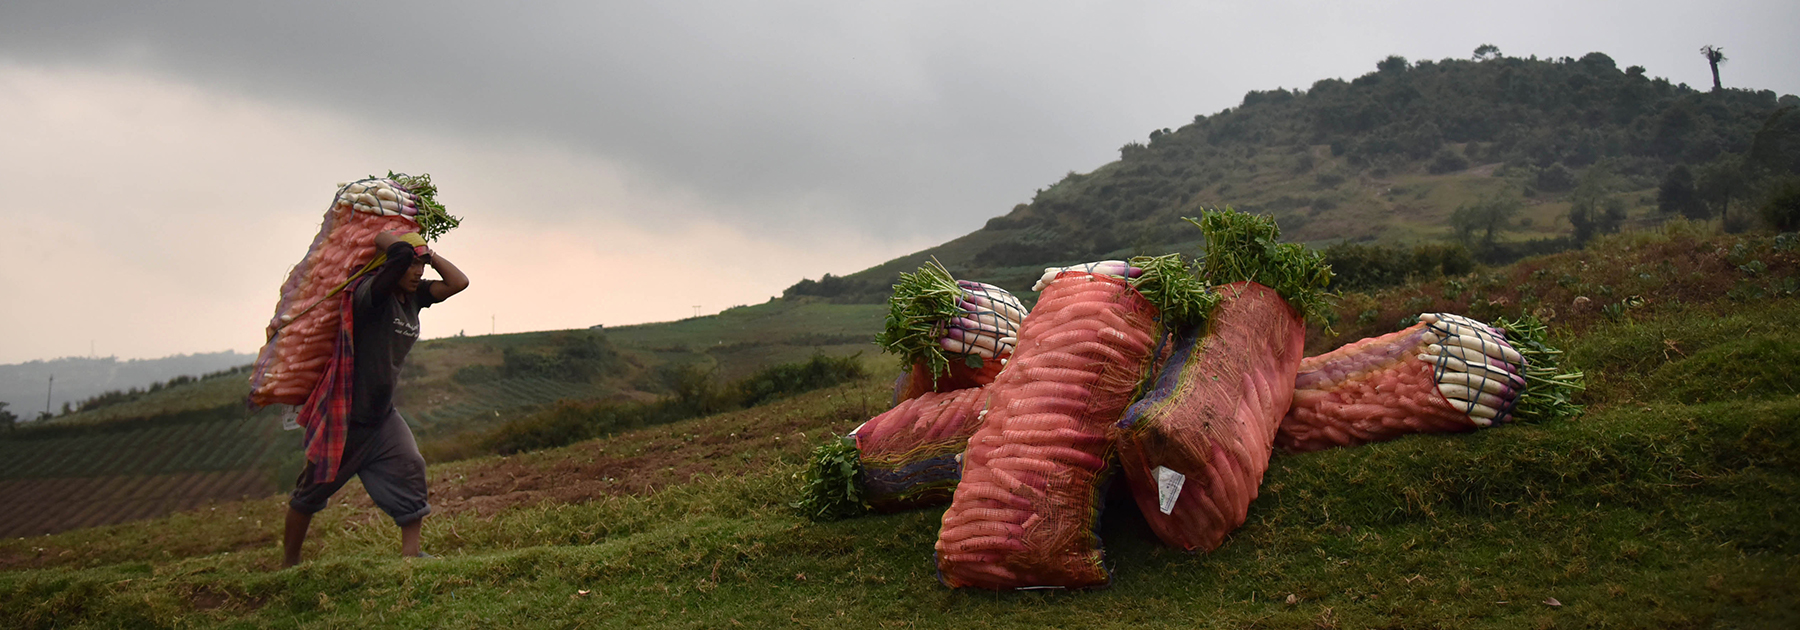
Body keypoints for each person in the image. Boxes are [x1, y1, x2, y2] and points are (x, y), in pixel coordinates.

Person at [282, 230, 469, 567]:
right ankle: (289, 561)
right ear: (390, 266)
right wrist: (388, 240)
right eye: (412, 266)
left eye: (421, 267)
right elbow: (394, 255)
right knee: (310, 492)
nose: (417, 273)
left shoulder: (414, 297)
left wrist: (429, 255)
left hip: (382, 416)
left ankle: (411, 555)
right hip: (346, 418)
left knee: (411, 466)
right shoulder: (372, 296)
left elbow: (459, 282)